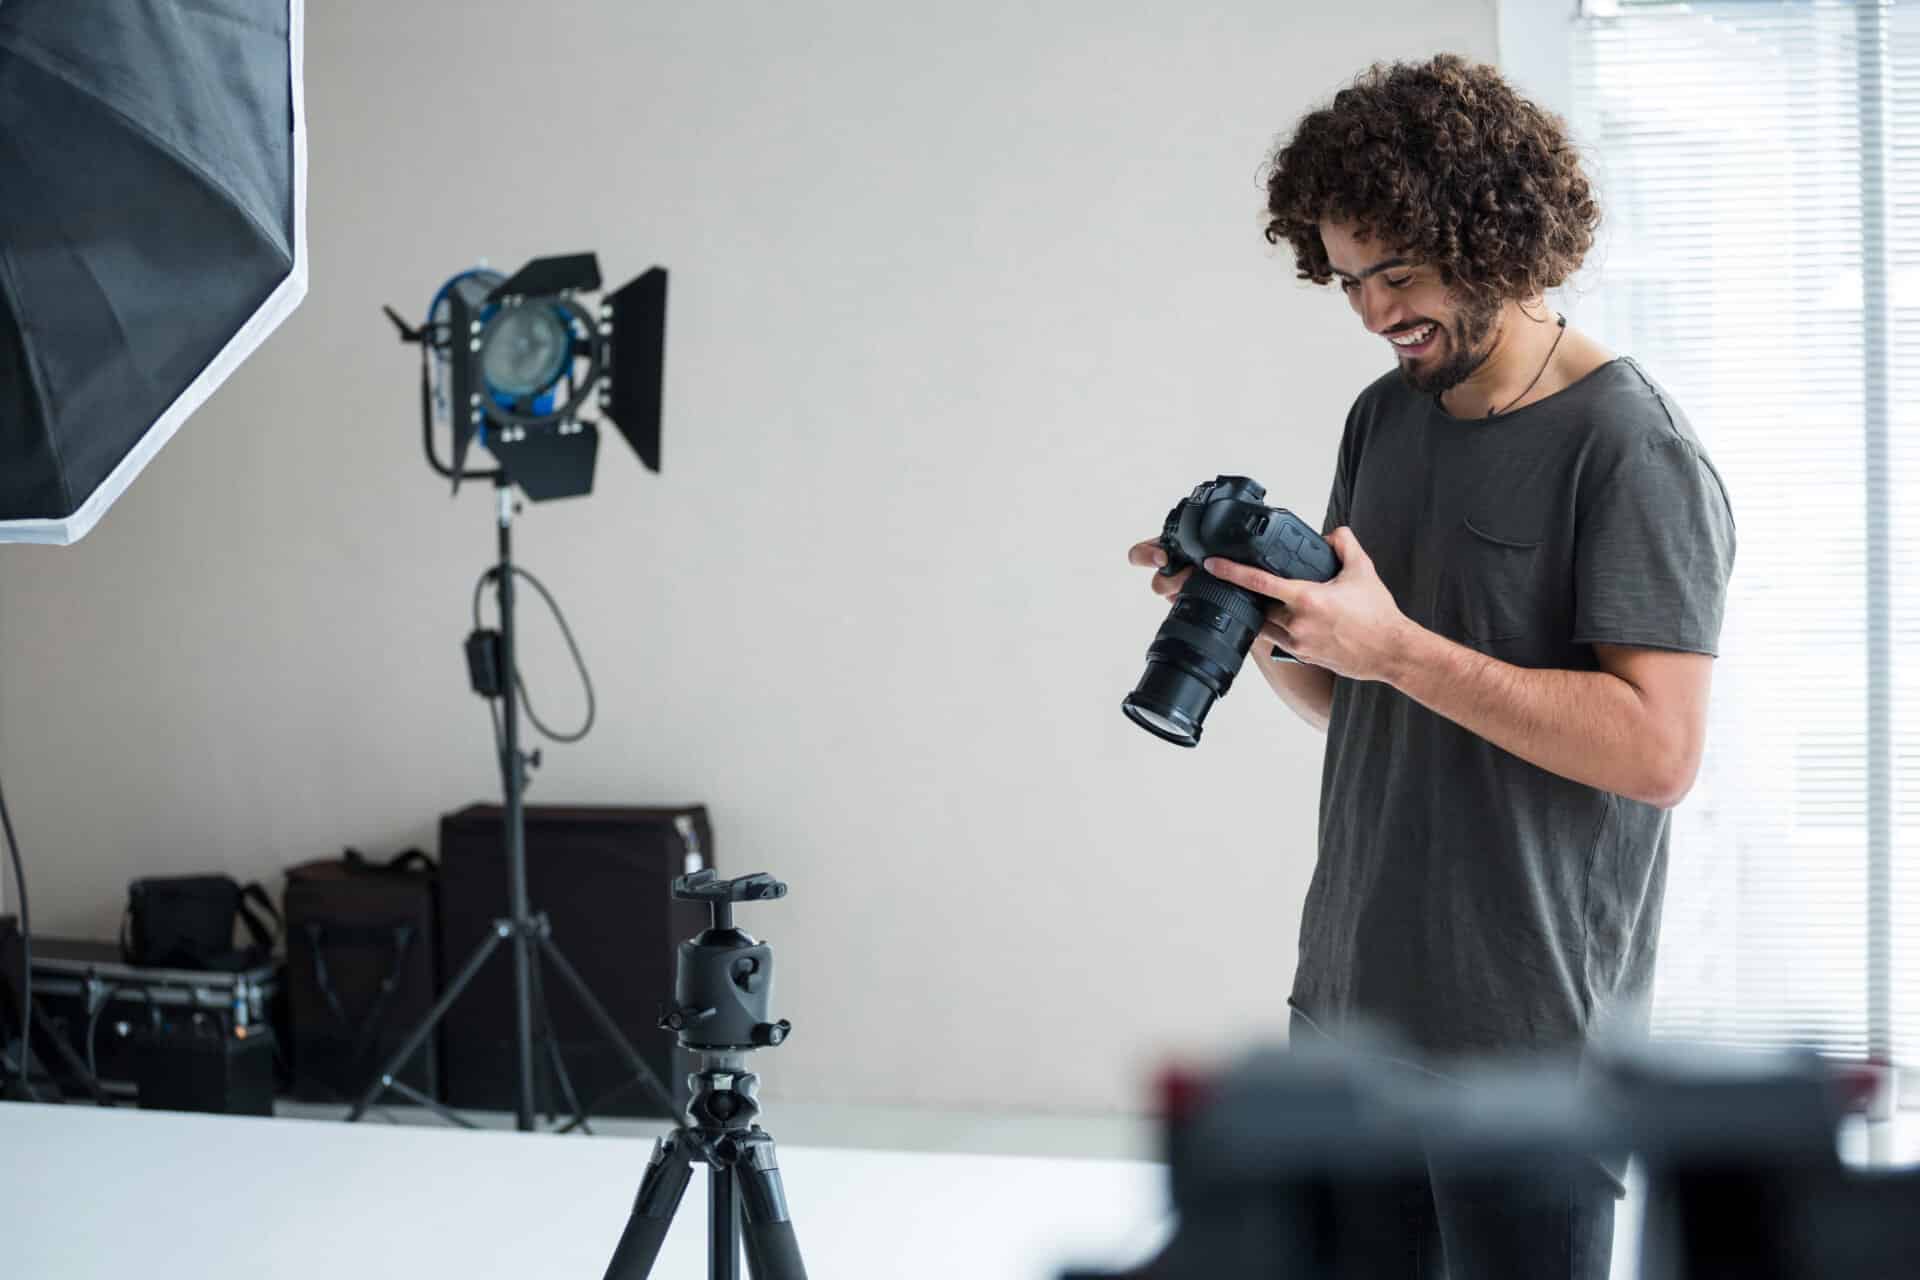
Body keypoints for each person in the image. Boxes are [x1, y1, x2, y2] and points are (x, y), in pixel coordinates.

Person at [1128, 54, 1736, 1280]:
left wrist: (1396, 648)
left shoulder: (1631, 450)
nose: (1369, 310)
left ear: (1497, 232)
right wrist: (1258, 620)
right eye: (1347, 278)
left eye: (1396, 273)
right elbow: (1360, 704)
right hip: (1348, 1000)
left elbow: (1658, 753)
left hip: (1528, 1040)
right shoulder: (1385, 416)